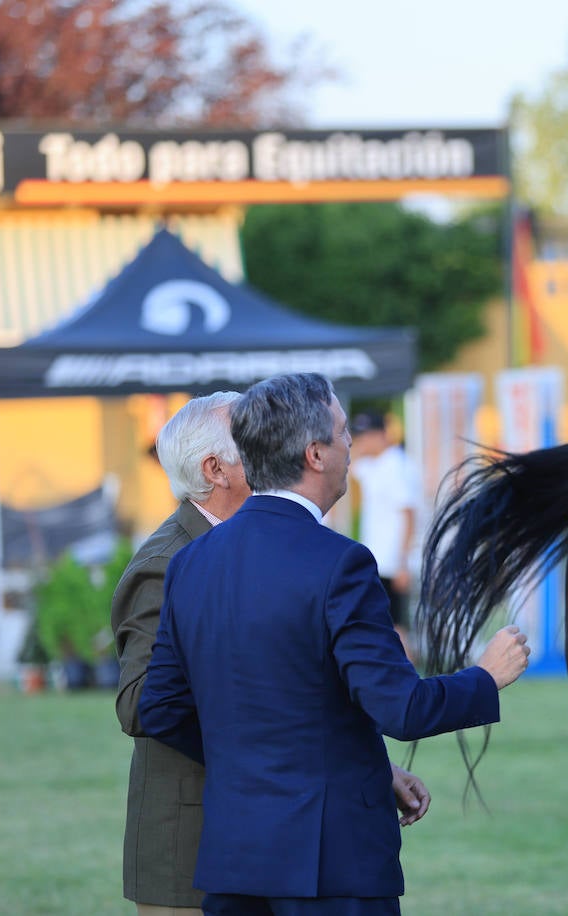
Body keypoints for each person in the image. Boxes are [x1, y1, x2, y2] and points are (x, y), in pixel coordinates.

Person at [137, 372, 530, 915]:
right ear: (315, 453)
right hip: (331, 865)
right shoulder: (340, 562)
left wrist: (250, 762)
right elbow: (402, 708)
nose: (353, 445)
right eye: (344, 432)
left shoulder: (191, 562)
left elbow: (160, 709)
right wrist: (486, 676)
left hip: (235, 861)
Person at [112, 392, 436, 915]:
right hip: (193, 845)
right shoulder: (169, 559)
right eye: (252, 443)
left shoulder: (257, 547)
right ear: (214, 469)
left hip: (267, 838)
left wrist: (366, 768)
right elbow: (140, 703)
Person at [349, 411, 422, 661]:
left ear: (381, 435)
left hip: (394, 560)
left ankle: (408, 673)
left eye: (366, 436)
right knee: (385, 620)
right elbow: (349, 465)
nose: (362, 442)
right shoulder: (374, 465)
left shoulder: (397, 465)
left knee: (395, 623)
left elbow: (409, 514)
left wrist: (403, 561)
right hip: (378, 556)